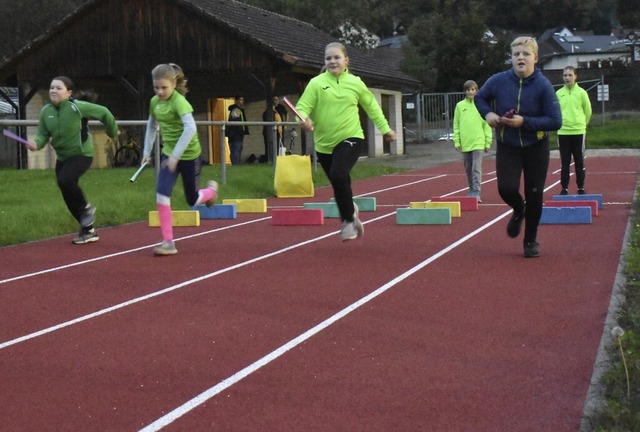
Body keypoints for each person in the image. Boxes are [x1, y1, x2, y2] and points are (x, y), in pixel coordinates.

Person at [295, 42, 396, 241]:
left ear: (346, 60)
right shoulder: (316, 83)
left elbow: (372, 107)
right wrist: (303, 120)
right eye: (328, 58)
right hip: (324, 144)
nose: (332, 61)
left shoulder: (355, 82)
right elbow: (302, 108)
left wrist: (385, 129)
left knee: (339, 173)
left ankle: (348, 222)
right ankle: (350, 209)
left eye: (336, 58)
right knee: (339, 181)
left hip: (352, 137)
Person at [475, 36, 562, 258]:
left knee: (535, 194)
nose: (520, 58)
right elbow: (480, 99)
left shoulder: (543, 86)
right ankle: (518, 208)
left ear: (535, 58)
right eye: (516, 54)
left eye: (525, 54)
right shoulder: (498, 81)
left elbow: (555, 121)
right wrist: (489, 114)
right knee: (506, 188)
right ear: (511, 58)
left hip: (536, 146)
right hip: (508, 145)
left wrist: (525, 122)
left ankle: (530, 240)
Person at [26, 76, 118, 244]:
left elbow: (104, 112)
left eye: (58, 88)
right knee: (66, 191)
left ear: (68, 93)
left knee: (65, 179)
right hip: (63, 157)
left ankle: (87, 209)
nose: (53, 90)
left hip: (82, 154)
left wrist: (112, 132)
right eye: (52, 87)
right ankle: (89, 231)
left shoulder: (77, 107)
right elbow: (42, 135)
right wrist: (35, 144)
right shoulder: (46, 111)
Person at [141, 63, 218, 256]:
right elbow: (152, 126)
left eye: (164, 87)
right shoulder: (154, 102)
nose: (160, 91)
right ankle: (168, 242)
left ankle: (210, 192)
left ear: (174, 84)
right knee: (161, 194)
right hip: (169, 155)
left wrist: (176, 156)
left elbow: (190, 129)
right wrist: (146, 151)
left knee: (192, 199)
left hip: (189, 155)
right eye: (156, 87)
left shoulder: (180, 102)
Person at [452, 80, 493, 203]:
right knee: (468, 168)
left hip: (478, 142)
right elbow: (456, 125)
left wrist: (487, 142)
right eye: (468, 89)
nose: (471, 92)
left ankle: (476, 191)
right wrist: (457, 141)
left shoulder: (481, 105)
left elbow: (486, 125)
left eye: (473, 89)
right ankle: (471, 190)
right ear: (465, 91)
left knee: (476, 167)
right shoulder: (460, 106)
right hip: (465, 143)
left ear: (477, 91)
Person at [556, 66, 592, 195]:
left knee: (579, 161)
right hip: (563, 132)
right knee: (564, 162)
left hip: (578, 131)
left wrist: (582, 124)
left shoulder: (581, 92)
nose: (567, 78)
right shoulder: (559, 93)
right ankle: (564, 188)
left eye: (570, 75)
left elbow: (588, 110)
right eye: (565, 75)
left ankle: (580, 187)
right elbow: (556, 112)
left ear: (575, 76)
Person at [226, 95, 249, 165]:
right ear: (236, 100)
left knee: (236, 151)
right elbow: (235, 122)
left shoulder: (237, 109)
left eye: (242, 100)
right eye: (240, 99)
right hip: (235, 135)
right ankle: (235, 166)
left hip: (235, 134)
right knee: (235, 151)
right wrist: (241, 132)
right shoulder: (236, 110)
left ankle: (236, 165)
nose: (241, 101)